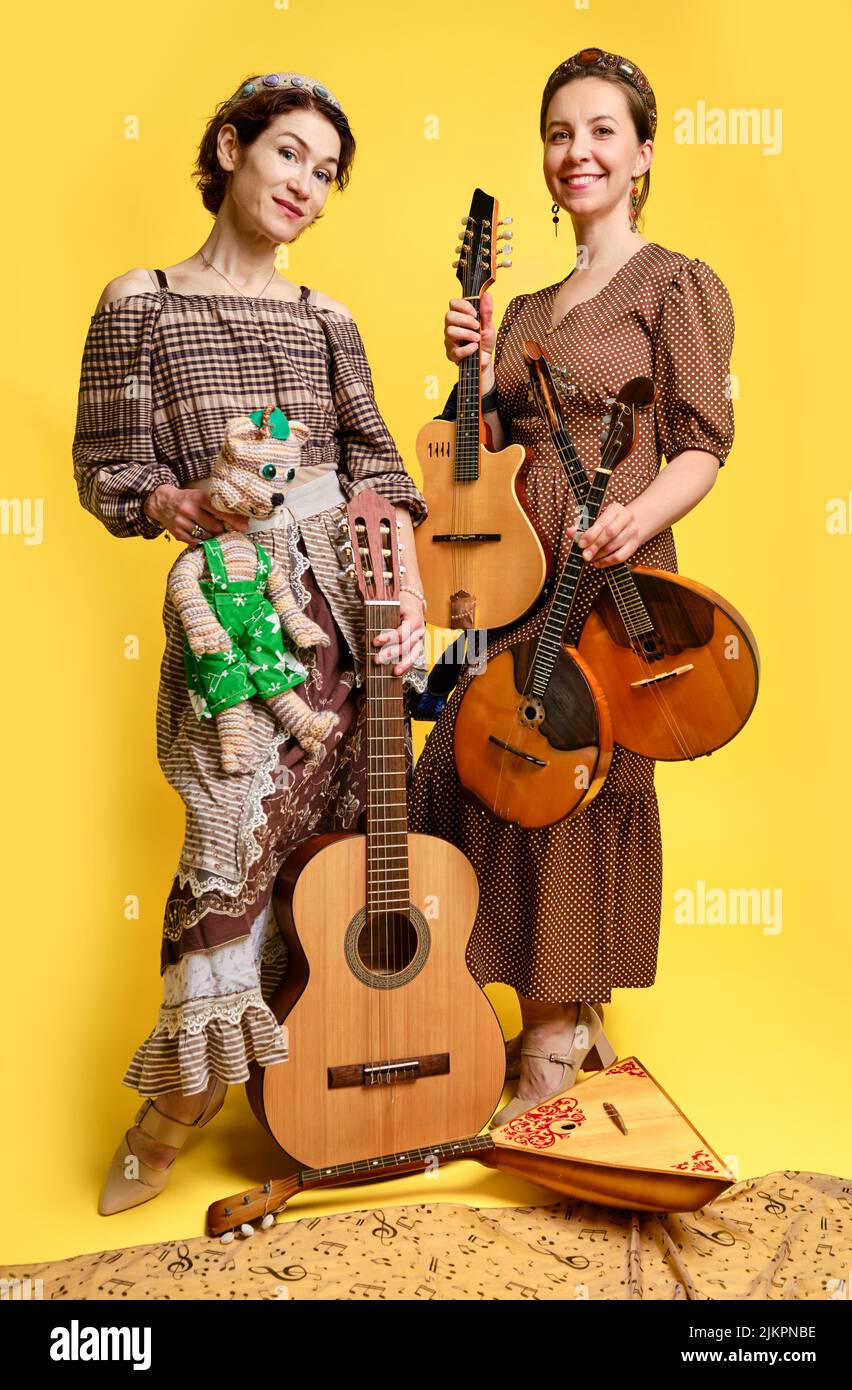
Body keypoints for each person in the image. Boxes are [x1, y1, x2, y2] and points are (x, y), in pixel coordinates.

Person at [71, 72, 429, 1213]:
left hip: (352, 608)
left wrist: (405, 589)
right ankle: (171, 1111)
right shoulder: (144, 302)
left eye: (325, 173)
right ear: (229, 148)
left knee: (352, 849)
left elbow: (379, 469)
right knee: (230, 851)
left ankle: (324, 1086)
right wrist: (185, 506)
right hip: (234, 609)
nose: (306, 187)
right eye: (288, 155)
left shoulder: (328, 318)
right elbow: (108, 474)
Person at [407, 47, 735, 1125]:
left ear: (641, 155)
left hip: (609, 570)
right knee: (480, 760)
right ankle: (558, 1011)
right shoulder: (524, 306)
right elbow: (489, 449)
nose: (575, 152)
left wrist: (638, 517)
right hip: (508, 568)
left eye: (600, 131)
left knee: (576, 780)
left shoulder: (672, 283)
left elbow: (700, 440)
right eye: (558, 133)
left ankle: (551, 1029)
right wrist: (465, 361)